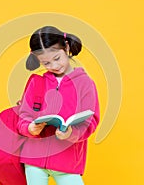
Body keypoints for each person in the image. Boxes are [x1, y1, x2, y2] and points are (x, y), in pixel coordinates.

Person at [17, 26, 100, 185]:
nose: (54, 66)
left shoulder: (85, 84)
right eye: (46, 63)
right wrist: (29, 128)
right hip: (33, 159)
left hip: (67, 161)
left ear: (66, 47)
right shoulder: (36, 82)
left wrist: (71, 133)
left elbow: (91, 121)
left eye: (57, 58)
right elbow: (24, 115)